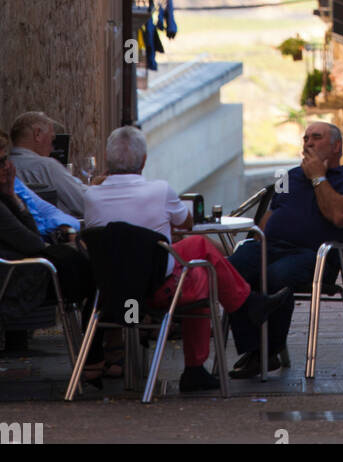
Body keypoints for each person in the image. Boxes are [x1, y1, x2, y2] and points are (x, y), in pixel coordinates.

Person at [84, 126, 290, 392]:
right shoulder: (159, 191)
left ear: (106, 160)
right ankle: (199, 363)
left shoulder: (90, 195)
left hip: (110, 294)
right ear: (144, 161)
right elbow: (187, 223)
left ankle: (245, 307)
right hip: (155, 293)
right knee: (200, 268)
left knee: (196, 257)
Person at [228, 121, 343, 379]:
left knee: (276, 276)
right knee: (231, 269)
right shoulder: (287, 176)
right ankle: (255, 346)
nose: (308, 143)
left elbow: (339, 216)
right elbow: (270, 215)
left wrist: (318, 178)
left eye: (316, 137)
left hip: (315, 257)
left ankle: (264, 352)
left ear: (337, 146)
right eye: (305, 138)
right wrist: (259, 241)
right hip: (271, 248)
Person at [0, 131, 93, 355]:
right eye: (1, 161)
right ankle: (123, 331)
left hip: (23, 271)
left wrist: (12, 196)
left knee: (89, 269)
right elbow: (33, 241)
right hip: (17, 279)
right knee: (94, 276)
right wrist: (12, 197)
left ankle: (107, 346)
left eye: (6, 159)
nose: (7, 167)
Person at [9, 112, 87, 217]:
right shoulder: (47, 166)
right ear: (37, 134)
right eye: (52, 139)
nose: (52, 148)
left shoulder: (5, 167)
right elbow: (85, 204)